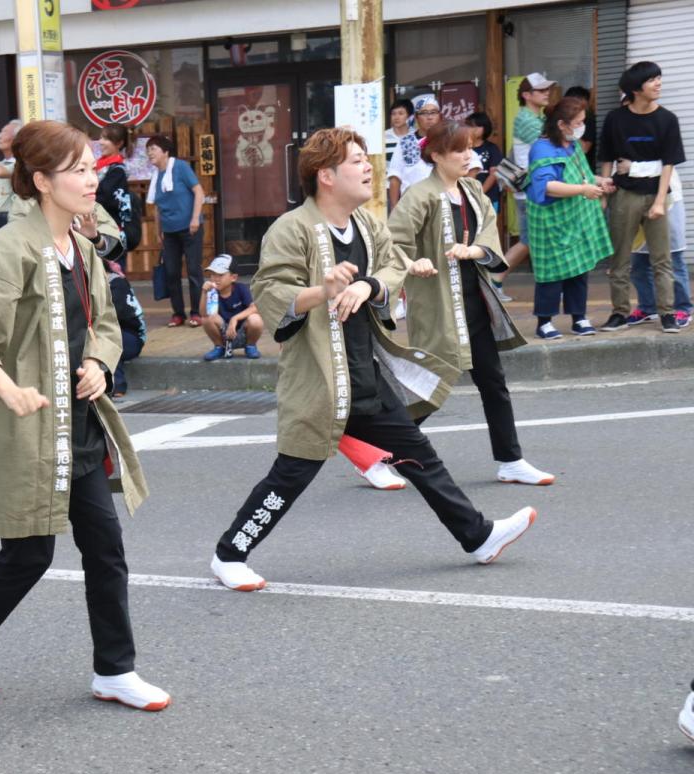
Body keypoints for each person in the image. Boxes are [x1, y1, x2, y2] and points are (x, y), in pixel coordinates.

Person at [208, 127, 537, 593]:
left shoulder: (367, 224)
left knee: (421, 457)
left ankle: (478, 536)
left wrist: (369, 285)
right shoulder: (292, 229)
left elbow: (392, 264)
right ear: (326, 175)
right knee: (290, 475)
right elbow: (271, 291)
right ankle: (228, 554)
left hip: (365, 374)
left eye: (366, 159)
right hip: (320, 380)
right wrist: (322, 291)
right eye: (358, 160)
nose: (368, 168)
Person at [0, 120, 169, 712]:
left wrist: (100, 363)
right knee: (28, 555)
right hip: (28, 428)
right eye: (79, 171)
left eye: (92, 167)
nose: (93, 179)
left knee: (106, 549)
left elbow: (106, 327)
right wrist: (7, 390)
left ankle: (115, 670)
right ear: (40, 181)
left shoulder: (83, 248)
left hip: (77, 425)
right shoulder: (10, 247)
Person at [389, 120, 554, 486]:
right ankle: (380, 453)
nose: (470, 156)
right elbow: (393, 244)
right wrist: (414, 261)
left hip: (475, 300)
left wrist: (474, 249)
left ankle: (510, 460)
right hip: (437, 303)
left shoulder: (473, 190)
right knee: (432, 384)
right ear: (436, 156)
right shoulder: (419, 195)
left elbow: (488, 237)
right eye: (459, 150)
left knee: (493, 381)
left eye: (470, 148)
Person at [599, 61, 686, 333]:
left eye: (659, 78)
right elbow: (607, 156)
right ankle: (619, 312)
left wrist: (661, 200)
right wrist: (604, 192)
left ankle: (667, 313)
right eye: (652, 80)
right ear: (636, 89)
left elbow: (669, 164)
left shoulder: (667, 119)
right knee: (621, 258)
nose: (659, 84)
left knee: (662, 258)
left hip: (656, 193)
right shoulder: (615, 118)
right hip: (624, 194)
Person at [525, 97, 614, 339]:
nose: (582, 126)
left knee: (579, 269)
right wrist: (584, 190)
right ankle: (544, 321)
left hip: (575, 219)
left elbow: (580, 176)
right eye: (579, 122)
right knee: (551, 272)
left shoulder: (571, 145)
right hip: (551, 222)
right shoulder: (541, 149)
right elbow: (548, 187)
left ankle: (579, 317)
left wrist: (599, 181)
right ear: (562, 124)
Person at [501, 73, 556, 300]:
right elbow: (553, 146)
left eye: (547, 89)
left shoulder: (537, 118)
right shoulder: (526, 120)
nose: (547, 93)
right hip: (531, 192)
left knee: (533, 241)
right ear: (526, 95)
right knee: (528, 241)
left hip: (535, 189)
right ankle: (492, 278)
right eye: (541, 90)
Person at [146, 134, 205, 327]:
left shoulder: (180, 167)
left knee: (194, 271)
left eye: (153, 149)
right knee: (171, 272)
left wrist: (195, 218)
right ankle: (178, 313)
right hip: (169, 231)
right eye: (148, 150)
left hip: (191, 228)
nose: (149, 153)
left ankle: (196, 313)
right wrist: (158, 230)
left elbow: (199, 191)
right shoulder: (156, 176)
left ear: (165, 151)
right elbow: (156, 206)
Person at [625, 163, 690, 328]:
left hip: (667, 200)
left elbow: (665, 163)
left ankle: (682, 308)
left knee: (672, 258)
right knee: (638, 262)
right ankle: (648, 307)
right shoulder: (623, 137)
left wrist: (631, 167)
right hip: (635, 200)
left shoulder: (663, 136)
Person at [199, 253, 262, 360]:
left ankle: (250, 346)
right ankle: (219, 347)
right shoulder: (212, 292)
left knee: (255, 319)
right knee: (206, 319)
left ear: (233, 277)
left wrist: (235, 319)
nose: (215, 279)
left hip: (242, 332)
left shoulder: (241, 289)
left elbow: (255, 308)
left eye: (220, 275)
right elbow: (204, 314)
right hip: (223, 334)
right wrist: (204, 293)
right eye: (212, 274)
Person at [387, 94, 440, 209]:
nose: (429, 117)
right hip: (411, 204)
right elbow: (395, 177)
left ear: (440, 115)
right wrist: (394, 208)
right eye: (424, 113)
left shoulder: (448, 140)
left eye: (433, 112)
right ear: (416, 117)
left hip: (441, 202)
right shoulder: (405, 142)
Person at [96, 122, 141, 254]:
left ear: (119, 144)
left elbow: (105, 198)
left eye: (106, 139)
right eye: (101, 138)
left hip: (113, 231)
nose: (101, 142)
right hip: (101, 228)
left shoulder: (117, 171)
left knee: (114, 272)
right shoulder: (100, 166)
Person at [106, 259, 146, 397]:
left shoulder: (116, 283)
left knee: (108, 341)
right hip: (115, 331)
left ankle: (118, 384)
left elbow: (115, 315)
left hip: (132, 337)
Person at [466, 112, 503, 211]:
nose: (472, 130)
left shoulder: (491, 148)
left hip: (488, 196)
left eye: (476, 126)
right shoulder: (463, 149)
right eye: (469, 126)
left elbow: (494, 174)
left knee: (489, 225)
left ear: (485, 128)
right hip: (467, 197)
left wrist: (480, 193)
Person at [564, 86, 598, 173]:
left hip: (584, 170)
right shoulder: (561, 121)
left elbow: (584, 148)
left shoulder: (589, 119)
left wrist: (571, 133)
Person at [384, 99, 415, 170]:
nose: (396, 117)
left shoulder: (416, 136)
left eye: (401, 113)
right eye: (393, 114)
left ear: (409, 116)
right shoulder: (383, 137)